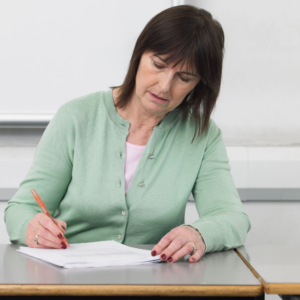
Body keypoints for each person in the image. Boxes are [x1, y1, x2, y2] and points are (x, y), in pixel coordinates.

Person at [4, 5, 251, 264]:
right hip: (70, 279)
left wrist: (199, 233)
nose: (164, 86)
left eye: (184, 78)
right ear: (138, 55)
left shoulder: (202, 135)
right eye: (158, 65)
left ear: (198, 84)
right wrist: (32, 229)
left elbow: (232, 217)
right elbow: (21, 209)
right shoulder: (76, 117)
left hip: (153, 282)